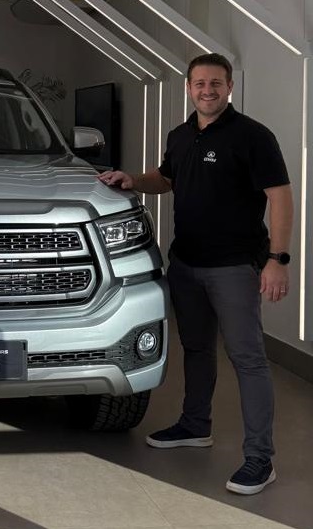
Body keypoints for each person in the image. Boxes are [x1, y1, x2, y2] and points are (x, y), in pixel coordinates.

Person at [98, 53, 293, 496]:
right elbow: (166, 178)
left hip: (234, 267)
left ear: (229, 87)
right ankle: (195, 425)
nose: (207, 90)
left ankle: (260, 459)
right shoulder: (181, 135)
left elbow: (281, 197)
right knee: (197, 348)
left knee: (248, 359)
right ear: (188, 88)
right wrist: (132, 180)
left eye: (216, 83)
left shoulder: (253, 136)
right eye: (200, 83)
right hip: (185, 264)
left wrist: (277, 260)